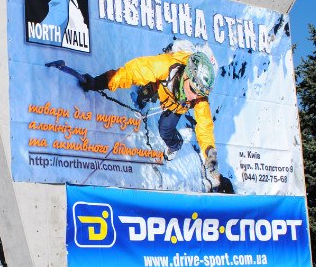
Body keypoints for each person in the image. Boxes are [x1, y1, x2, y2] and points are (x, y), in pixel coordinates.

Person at [78, 49, 222, 185]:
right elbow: (131, 72)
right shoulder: (164, 66)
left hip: (176, 106)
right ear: (186, 75)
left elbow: (204, 126)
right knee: (145, 93)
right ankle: (145, 95)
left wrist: (210, 151)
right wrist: (97, 83)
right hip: (163, 87)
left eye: (201, 94)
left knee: (165, 129)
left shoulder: (198, 96)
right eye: (193, 90)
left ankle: (174, 145)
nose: (196, 97)